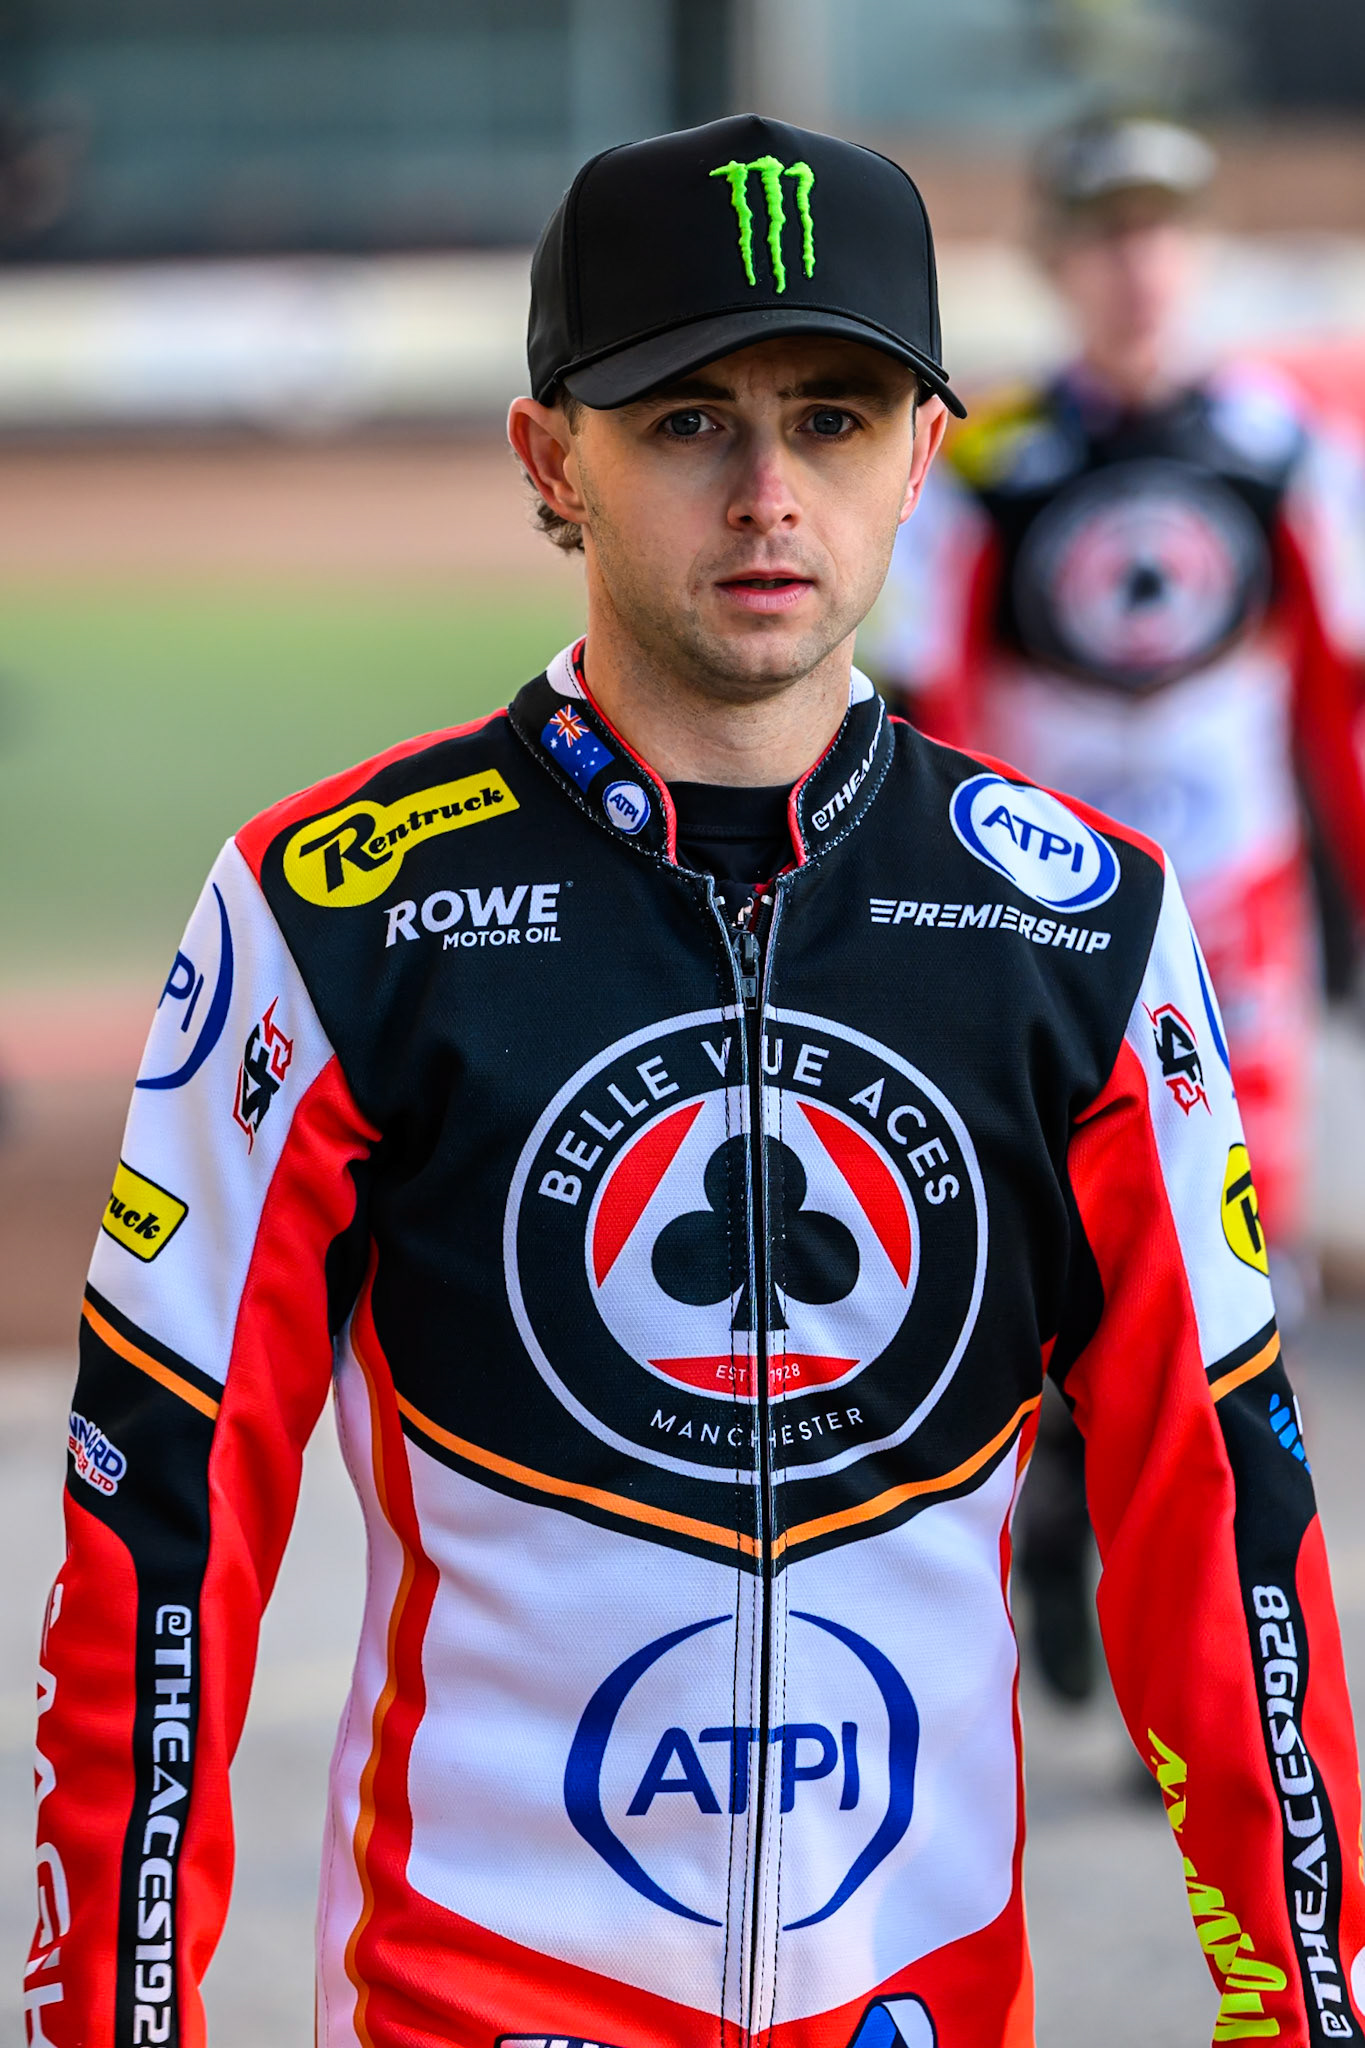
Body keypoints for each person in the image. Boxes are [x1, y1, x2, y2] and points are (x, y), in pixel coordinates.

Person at [29, 114, 1365, 2048]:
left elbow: (1218, 1524)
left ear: (924, 451)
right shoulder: (331, 911)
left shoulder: (1077, 929)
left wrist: (1302, 2008)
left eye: (828, 417)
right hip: (473, 2008)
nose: (765, 492)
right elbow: (158, 1517)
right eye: (684, 420)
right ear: (547, 462)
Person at [863, 112, 1365, 1708]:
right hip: (1044, 926)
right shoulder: (986, 471)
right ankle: (1067, 1498)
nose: (1136, 266)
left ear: (1196, 250)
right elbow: (926, 713)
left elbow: (1340, 697)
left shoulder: (1289, 453)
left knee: (1233, 1266)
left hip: (1237, 921)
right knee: (1063, 1245)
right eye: (1103, 235)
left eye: (1160, 230)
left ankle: (1206, 1634)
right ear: (1057, 263)